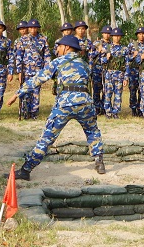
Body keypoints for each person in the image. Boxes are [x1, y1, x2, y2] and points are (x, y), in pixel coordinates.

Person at [7, 34, 105, 180]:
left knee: (47, 137)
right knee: (92, 132)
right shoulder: (85, 64)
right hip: (85, 103)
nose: (57, 50)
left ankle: (26, 170)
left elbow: (38, 79)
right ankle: (99, 162)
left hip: (65, 104)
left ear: (66, 47)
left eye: (59, 47)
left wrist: (17, 94)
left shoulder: (58, 62)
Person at [10, 19, 51, 120]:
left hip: (38, 71)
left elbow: (47, 55)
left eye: (35, 27)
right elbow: (19, 57)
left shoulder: (43, 39)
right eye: (31, 28)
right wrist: (19, 72)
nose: (33, 29)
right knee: (25, 92)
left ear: (38, 28)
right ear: (28, 28)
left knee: (36, 92)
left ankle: (34, 114)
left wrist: (47, 69)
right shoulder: (22, 40)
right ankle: (25, 112)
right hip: (26, 71)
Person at [101, 27, 128, 118]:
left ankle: (115, 112)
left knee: (118, 95)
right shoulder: (106, 47)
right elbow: (101, 61)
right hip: (109, 75)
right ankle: (108, 113)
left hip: (120, 75)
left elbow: (127, 64)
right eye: (115, 36)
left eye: (118, 36)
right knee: (108, 94)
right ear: (112, 36)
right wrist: (106, 58)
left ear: (121, 37)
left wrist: (126, 78)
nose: (116, 38)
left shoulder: (124, 49)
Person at [126, 27, 144, 117]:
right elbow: (127, 58)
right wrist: (134, 56)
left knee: (143, 91)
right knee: (133, 90)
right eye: (139, 34)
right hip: (133, 71)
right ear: (137, 35)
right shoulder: (132, 45)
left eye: (143, 34)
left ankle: (140, 109)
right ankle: (133, 109)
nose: (141, 36)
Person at [90, 26, 111, 116]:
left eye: (108, 33)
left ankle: (104, 108)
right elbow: (90, 55)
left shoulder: (112, 45)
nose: (107, 35)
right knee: (96, 89)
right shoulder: (97, 43)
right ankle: (96, 108)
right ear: (102, 34)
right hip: (97, 70)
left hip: (107, 70)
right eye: (105, 33)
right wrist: (98, 51)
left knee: (106, 90)